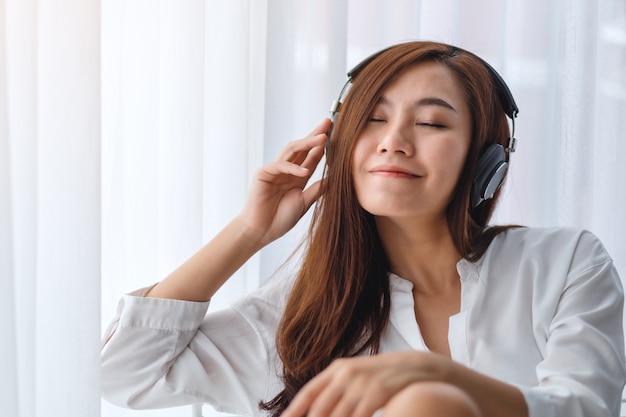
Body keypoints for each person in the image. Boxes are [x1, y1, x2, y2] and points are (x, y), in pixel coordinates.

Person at [101, 41, 626, 417]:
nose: (393, 141)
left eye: (431, 123)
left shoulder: (564, 262)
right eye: (373, 118)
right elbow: (121, 374)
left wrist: (436, 377)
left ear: (486, 161)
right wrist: (248, 232)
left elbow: (586, 405)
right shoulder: (303, 316)